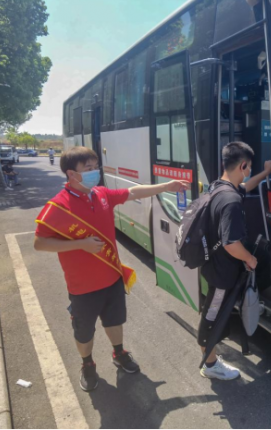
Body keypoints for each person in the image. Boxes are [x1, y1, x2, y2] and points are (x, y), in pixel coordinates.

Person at [33, 146, 189, 392]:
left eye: (96, 167)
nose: (95, 172)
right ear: (72, 174)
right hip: (82, 287)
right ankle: (87, 364)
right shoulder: (58, 206)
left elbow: (132, 192)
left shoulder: (101, 194)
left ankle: (119, 353)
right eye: (88, 168)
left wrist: (166, 186)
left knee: (115, 322)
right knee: (84, 332)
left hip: (112, 277)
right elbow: (39, 243)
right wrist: (80, 244)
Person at [198, 141, 271, 381]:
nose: (249, 171)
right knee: (212, 316)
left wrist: (265, 173)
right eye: (249, 167)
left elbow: (245, 186)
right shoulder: (230, 201)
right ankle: (210, 365)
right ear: (242, 165)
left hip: (215, 265)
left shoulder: (219, 187)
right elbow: (231, 243)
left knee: (215, 311)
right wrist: (250, 258)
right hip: (221, 273)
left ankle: (210, 359)